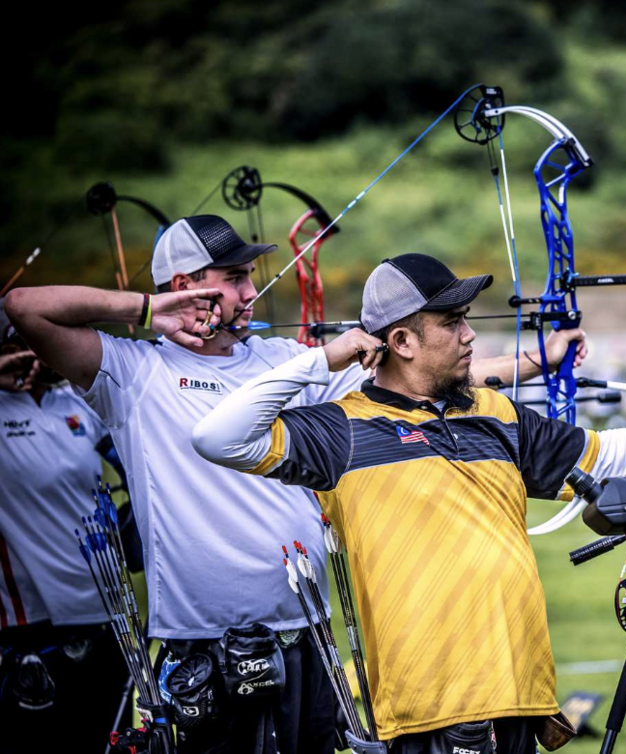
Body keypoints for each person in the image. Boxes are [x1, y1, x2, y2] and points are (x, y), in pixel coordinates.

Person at [2, 217, 585, 753]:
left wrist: (541, 356)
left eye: (249, 275)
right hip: (204, 643)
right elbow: (25, 306)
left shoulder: (279, 358)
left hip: (306, 635)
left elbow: (417, 379)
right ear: (185, 283)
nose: (250, 291)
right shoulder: (130, 372)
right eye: (233, 279)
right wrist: (151, 309)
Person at [190, 253, 626, 752]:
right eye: (451, 321)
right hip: (430, 704)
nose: (469, 333)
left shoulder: (493, 412)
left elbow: (602, 453)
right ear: (400, 340)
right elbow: (218, 437)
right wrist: (326, 358)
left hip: (517, 691)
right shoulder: (340, 430)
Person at [0, 301, 132, 751]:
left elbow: (136, 458)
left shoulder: (73, 400)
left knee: (112, 738)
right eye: (24, 344)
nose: (38, 356)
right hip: (30, 623)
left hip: (105, 607)